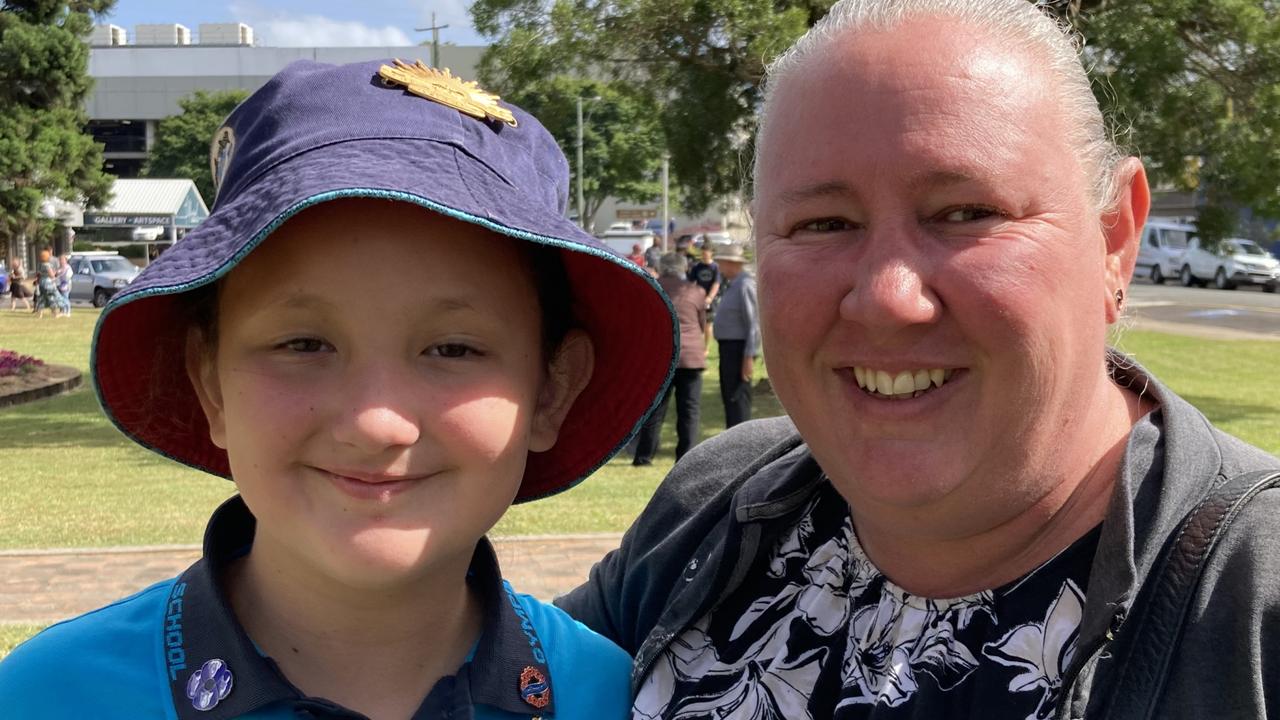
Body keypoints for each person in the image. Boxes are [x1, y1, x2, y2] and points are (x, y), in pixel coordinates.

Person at [557, 1, 1280, 718]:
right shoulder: (718, 503)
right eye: (823, 224)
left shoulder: (1254, 600)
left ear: (1115, 237)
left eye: (966, 213)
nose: (887, 299)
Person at [0, 58, 679, 719]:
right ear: (210, 384)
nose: (374, 421)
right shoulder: (45, 697)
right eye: (302, 344)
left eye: (453, 348)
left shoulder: (622, 700)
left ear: (552, 392)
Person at [633, 252, 708, 466]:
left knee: (656, 409)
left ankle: (644, 455)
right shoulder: (695, 291)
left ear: (662, 267)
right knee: (689, 410)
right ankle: (686, 457)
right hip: (691, 356)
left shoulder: (652, 287)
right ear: (684, 268)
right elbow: (701, 323)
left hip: (662, 356)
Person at [710, 243, 758, 428]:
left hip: (737, 349)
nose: (720, 268)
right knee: (730, 395)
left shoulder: (745, 285)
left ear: (731, 263)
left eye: (721, 263)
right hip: (729, 348)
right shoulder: (734, 284)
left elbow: (753, 323)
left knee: (737, 396)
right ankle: (733, 433)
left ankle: (741, 438)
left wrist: (748, 357)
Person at [686, 245, 721, 352]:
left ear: (711, 253)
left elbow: (716, 283)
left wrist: (709, 297)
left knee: (708, 324)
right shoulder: (697, 267)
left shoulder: (715, 267)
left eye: (707, 252)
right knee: (696, 324)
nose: (704, 254)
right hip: (698, 299)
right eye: (703, 252)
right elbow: (691, 283)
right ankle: (697, 346)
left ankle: (706, 348)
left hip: (710, 300)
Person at [32, 248, 66, 318]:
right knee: (52, 298)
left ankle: (40, 314)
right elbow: (51, 275)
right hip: (48, 283)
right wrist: (56, 274)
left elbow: (38, 274)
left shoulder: (40, 265)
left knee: (42, 298)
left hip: (41, 282)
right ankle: (55, 314)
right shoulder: (47, 265)